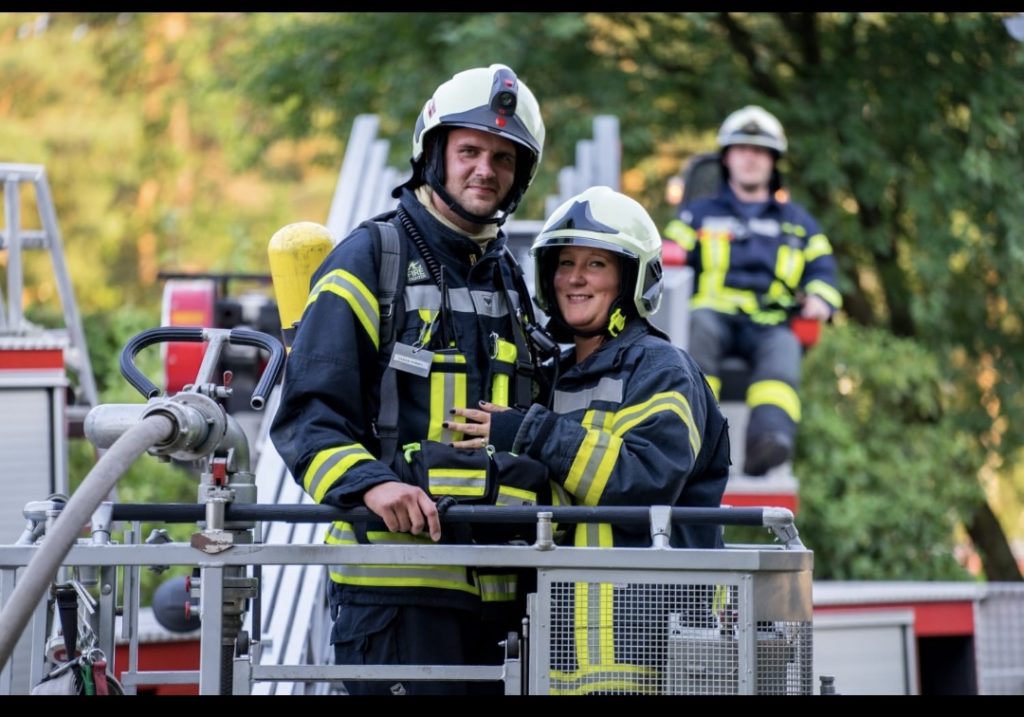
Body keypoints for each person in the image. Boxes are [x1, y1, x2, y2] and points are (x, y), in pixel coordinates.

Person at [269, 63, 547, 696]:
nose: (485, 169)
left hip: (501, 601)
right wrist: (373, 485)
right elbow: (308, 414)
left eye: (504, 158)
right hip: (397, 597)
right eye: (470, 150)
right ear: (433, 154)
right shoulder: (372, 258)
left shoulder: (509, 279)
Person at [450, 186, 732, 694]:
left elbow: (644, 481)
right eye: (565, 263)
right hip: (559, 666)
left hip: (655, 666)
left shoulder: (661, 371)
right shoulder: (550, 378)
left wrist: (529, 432)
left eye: (596, 264)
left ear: (631, 279)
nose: (575, 278)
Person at [662, 105, 842, 476]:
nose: (751, 158)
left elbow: (823, 268)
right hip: (711, 316)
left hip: (770, 322)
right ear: (726, 157)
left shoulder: (797, 224)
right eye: (742, 149)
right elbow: (665, 259)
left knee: (785, 346)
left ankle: (769, 441)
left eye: (760, 151)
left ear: (773, 162)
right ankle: (694, 437)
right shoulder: (697, 215)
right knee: (699, 329)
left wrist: (820, 297)